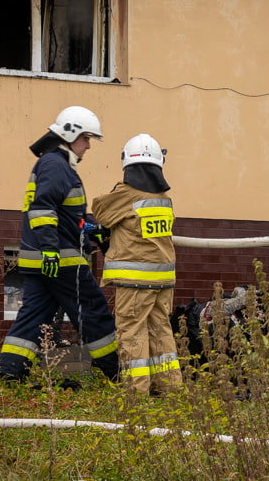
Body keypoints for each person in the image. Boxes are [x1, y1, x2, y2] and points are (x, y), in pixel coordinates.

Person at [0, 106, 119, 384]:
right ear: (70, 133)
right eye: (86, 138)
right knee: (93, 310)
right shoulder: (56, 165)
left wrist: (90, 229)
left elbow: (66, 216)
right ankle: (116, 371)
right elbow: (43, 209)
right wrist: (51, 249)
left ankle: (11, 372)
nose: (88, 145)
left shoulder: (52, 164)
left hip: (41, 260)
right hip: (61, 260)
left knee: (35, 313)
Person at [91, 134, 182, 395]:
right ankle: (169, 389)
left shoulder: (126, 194)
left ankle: (136, 395)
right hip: (163, 280)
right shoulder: (164, 198)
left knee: (132, 334)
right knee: (161, 332)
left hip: (135, 281)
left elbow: (100, 211)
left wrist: (118, 188)